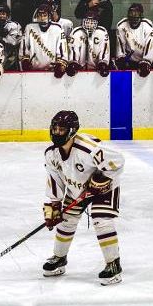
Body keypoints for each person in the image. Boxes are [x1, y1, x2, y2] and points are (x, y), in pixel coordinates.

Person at [43, 110, 125, 286]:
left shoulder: (89, 149)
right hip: (77, 190)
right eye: (55, 128)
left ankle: (113, 265)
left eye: (61, 129)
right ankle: (59, 259)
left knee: (101, 221)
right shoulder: (51, 154)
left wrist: (102, 179)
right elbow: (55, 179)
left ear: (72, 131)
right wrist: (54, 205)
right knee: (65, 221)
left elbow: (117, 161)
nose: (57, 132)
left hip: (104, 188)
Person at [19, 4, 68, 78]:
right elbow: (24, 48)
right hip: (33, 71)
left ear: (49, 16)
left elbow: (63, 50)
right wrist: (25, 61)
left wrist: (61, 65)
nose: (42, 18)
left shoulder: (57, 29)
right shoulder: (30, 27)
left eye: (44, 15)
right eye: (40, 15)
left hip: (52, 72)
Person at [115, 3, 153, 77]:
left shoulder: (147, 25)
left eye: (136, 14)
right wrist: (121, 57)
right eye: (131, 13)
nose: (134, 16)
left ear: (141, 15)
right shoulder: (122, 25)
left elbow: (151, 45)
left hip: (146, 60)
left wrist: (146, 61)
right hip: (131, 61)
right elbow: (120, 45)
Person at [67, 9, 110, 77]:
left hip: (95, 70)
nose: (89, 25)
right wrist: (73, 63)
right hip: (79, 70)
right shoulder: (76, 32)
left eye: (92, 22)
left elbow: (104, 49)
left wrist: (103, 63)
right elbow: (73, 50)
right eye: (87, 22)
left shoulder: (102, 32)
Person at [0, 4, 22, 70]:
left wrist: (3, 37)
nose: (1, 16)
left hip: (11, 59)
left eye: (3, 14)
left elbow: (15, 42)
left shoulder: (14, 25)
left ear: (7, 15)